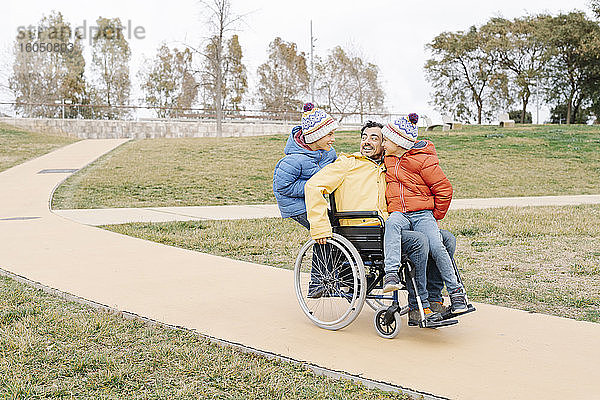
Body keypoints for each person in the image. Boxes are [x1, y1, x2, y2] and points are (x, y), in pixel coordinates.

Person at [305, 120, 453, 325]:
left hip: (389, 228)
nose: (367, 142)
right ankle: (417, 306)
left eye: (374, 138)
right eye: (364, 137)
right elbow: (313, 187)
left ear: (385, 143)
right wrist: (320, 227)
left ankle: (434, 300)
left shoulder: (390, 166)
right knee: (419, 241)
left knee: (446, 238)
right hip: (360, 230)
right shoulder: (348, 163)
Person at [380, 113, 467, 313]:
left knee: (437, 246)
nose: (383, 144)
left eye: (386, 139)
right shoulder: (389, 158)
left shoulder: (424, 161)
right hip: (400, 213)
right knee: (392, 223)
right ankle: (391, 274)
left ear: (398, 141)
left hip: (422, 214)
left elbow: (445, 190)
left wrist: (436, 216)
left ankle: (456, 293)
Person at [273, 103, 338, 297]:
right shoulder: (293, 160)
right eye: (329, 135)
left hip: (314, 202)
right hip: (294, 205)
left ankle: (335, 274)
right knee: (324, 231)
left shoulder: (328, 153)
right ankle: (319, 283)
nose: (333, 139)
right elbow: (281, 187)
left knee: (336, 228)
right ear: (315, 136)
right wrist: (313, 187)